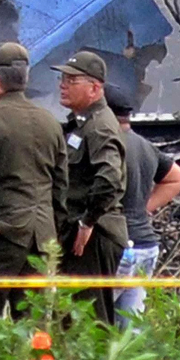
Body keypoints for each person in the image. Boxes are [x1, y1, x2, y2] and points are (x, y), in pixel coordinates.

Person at [0, 43, 69, 318]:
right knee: (34, 328)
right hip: (41, 239)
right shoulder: (51, 122)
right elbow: (61, 184)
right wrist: (52, 229)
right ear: (25, 79)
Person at [54, 50, 127, 324]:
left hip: (95, 235)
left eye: (72, 80)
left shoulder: (99, 126)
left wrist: (87, 222)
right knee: (72, 317)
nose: (63, 84)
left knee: (88, 320)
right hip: (82, 232)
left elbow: (109, 179)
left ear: (95, 88)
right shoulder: (81, 124)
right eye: (63, 78)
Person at [108, 91, 180, 327]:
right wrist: (144, 208)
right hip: (146, 246)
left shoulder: (108, 146)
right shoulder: (145, 145)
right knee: (131, 328)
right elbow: (177, 177)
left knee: (95, 321)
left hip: (118, 245)